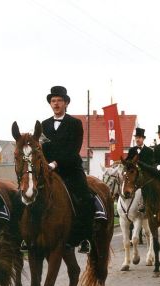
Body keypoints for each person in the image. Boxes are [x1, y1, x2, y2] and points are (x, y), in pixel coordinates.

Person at [41, 86, 92, 254]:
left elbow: (73, 149)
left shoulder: (75, 123)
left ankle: (84, 238)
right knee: (30, 194)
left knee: (84, 196)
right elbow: (41, 149)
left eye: (59, 101)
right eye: (53, 101)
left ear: (66, 103)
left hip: (70, 168)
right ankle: (29, 236)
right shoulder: (44, 125)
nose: (55, 104)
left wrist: (55, 163)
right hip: (48, 170)